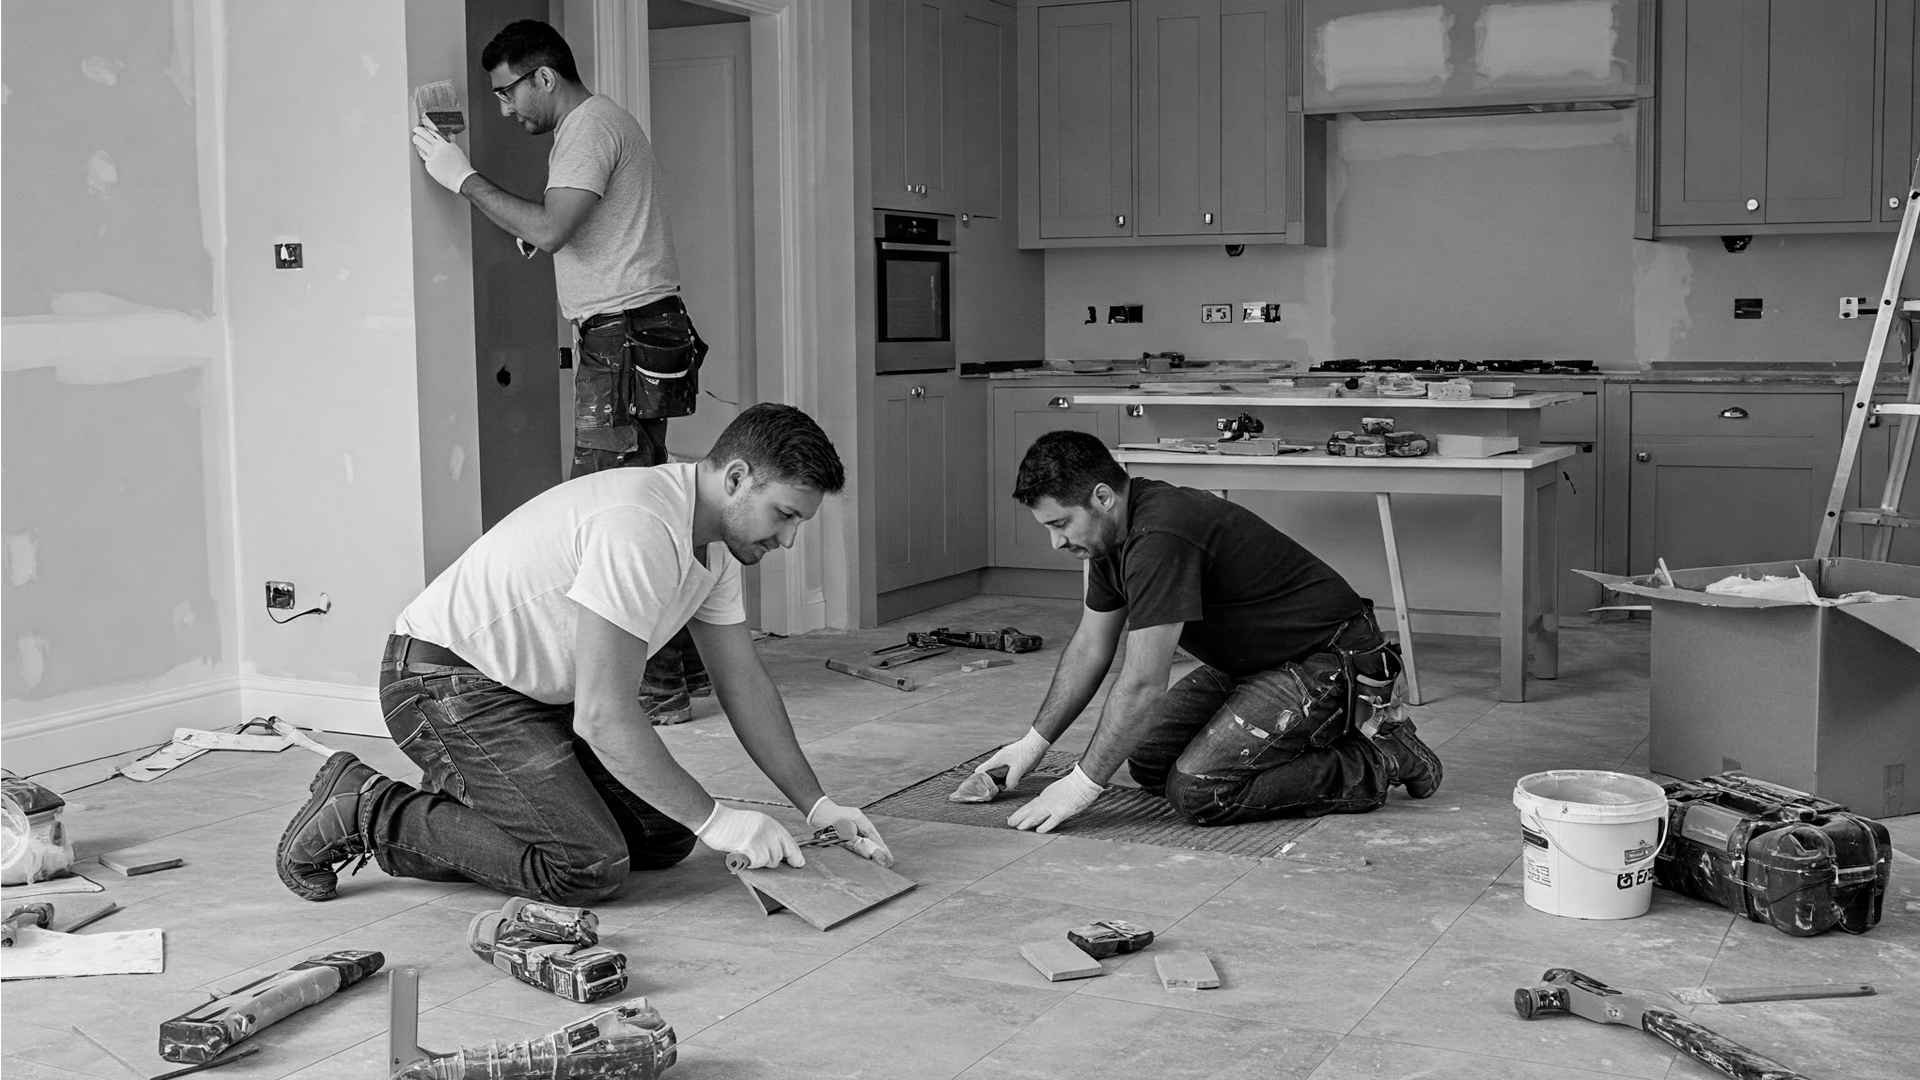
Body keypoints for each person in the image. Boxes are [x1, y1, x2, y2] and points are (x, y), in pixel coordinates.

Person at [275, 404, 890, 905]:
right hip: (445, 684)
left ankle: (498, 794)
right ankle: (370, 809)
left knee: (663, 836)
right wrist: (720, 822)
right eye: (784, 515)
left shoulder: (715, 548)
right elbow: (603, 715)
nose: (787, 538)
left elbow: (744, 684)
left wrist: (818, 804)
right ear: (734, 479)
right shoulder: (639, 527)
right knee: (585, 867)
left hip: (526, 694)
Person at [410, 18, 707, 726]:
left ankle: (654, 690)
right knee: (640, 507)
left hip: (626, 337)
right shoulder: (594, 129)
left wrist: (462, 178)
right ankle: (677, 676)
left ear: (545, 76)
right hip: (636, 332)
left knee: (612, 518)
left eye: (509, 93)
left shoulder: (589, 127)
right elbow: (563, 229)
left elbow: (550, 228)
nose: (507, 110)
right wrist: (540, 230)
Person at [964, 430, 1442, 833]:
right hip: (1251, 663)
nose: (1056, 542)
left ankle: (1379, 759)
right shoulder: (1110, 539)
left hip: (1326, 661)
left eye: (1061, 524)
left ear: (1103, 498)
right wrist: (1032, 744)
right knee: (1149, 760)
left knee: (1200, 792)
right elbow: (1091, 647)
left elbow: (1144, 684)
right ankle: (1302, 742)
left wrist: (1081, 785)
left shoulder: (1162, 535)